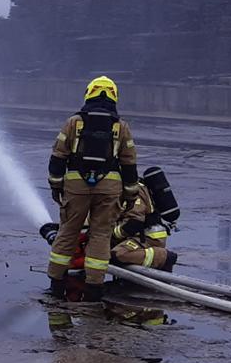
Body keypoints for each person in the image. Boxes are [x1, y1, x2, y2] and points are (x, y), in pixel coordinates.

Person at [46, 76, 139, 301]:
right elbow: (129, 164)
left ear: (89, 93)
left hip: (76, 185)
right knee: (101, 235)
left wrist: (56, 186)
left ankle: (56, 284)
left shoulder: (73, 122)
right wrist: (130, 194)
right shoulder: (121, 126)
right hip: (109, 187)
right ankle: (94, 288)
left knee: (68, 231)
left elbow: (58, 156)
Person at [110, 182, 179, 271]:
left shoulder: (135, 191)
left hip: (148, 236)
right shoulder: (115, 189)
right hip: (132, 235)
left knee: (118, 254)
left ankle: (164, 257)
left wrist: (112, 235)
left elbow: (134, 223)